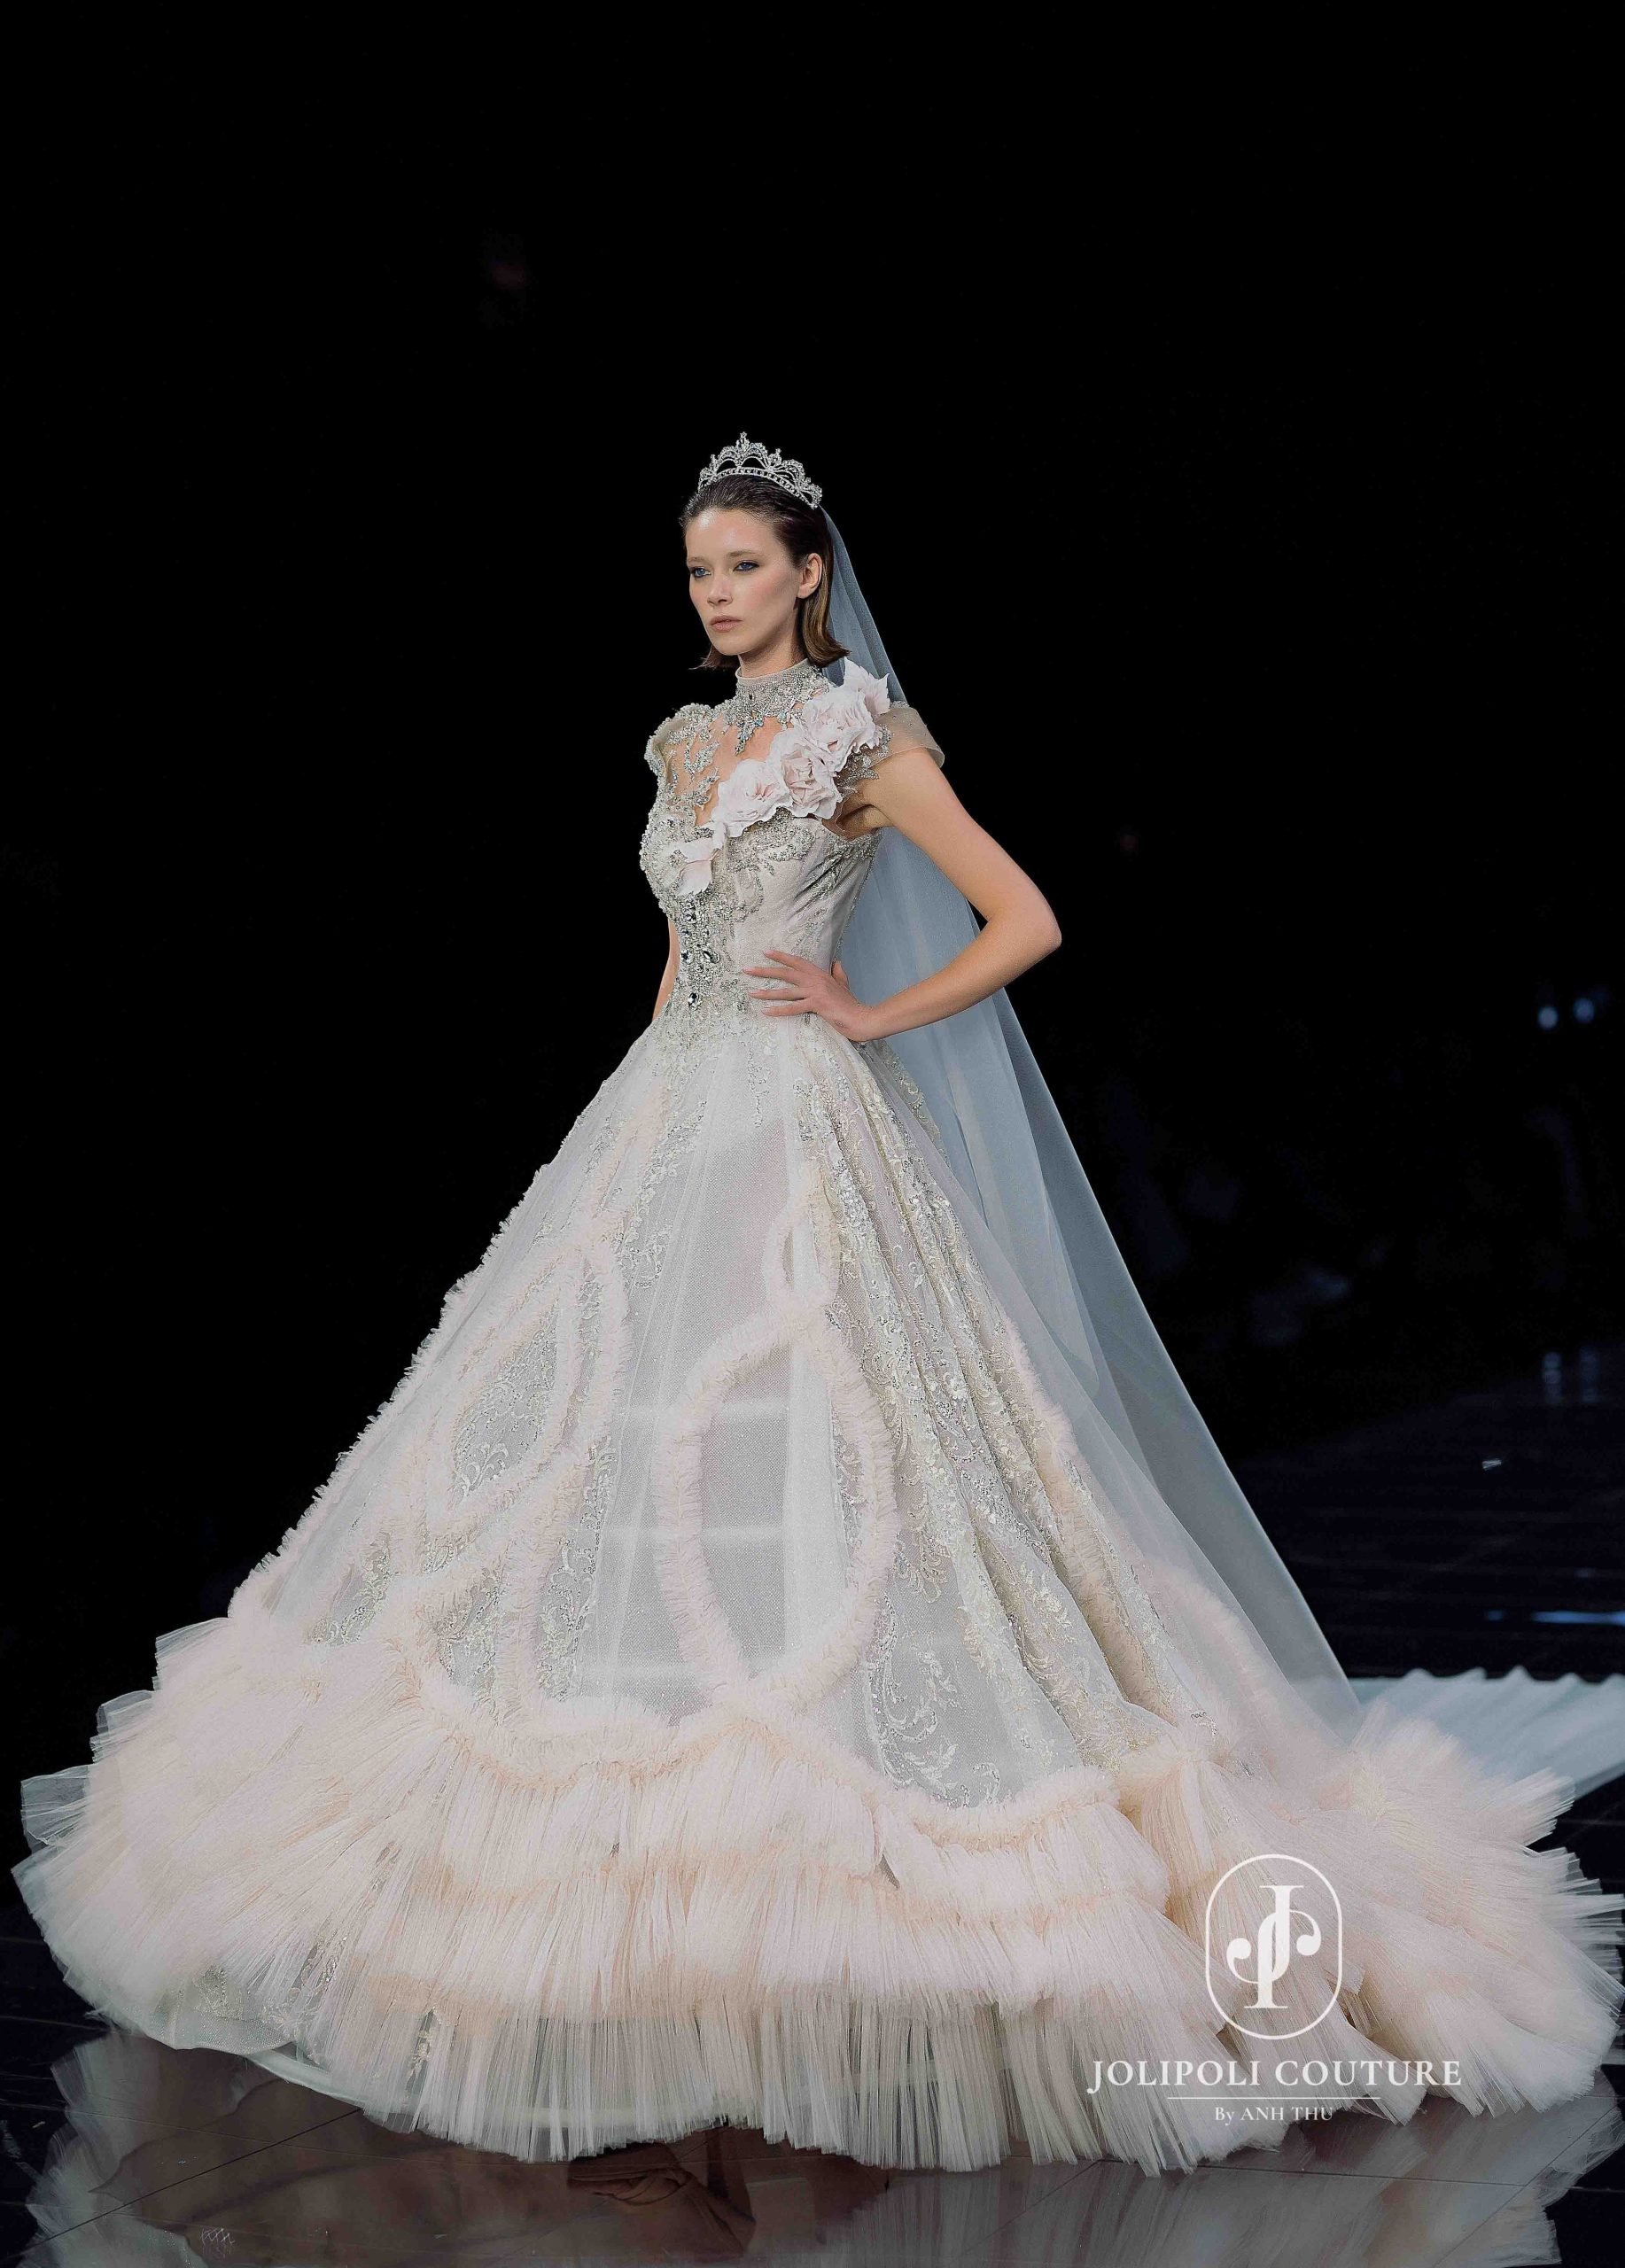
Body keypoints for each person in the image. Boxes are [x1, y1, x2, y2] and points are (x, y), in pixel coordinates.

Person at [16, 435, 1625, 2178]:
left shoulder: (863, 736)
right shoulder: (682, 741)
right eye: (695, 570)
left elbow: (1023, 916)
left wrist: (866, 1015)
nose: (714, 594)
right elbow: (679, 949)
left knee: (854, 1441)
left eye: (740, 566)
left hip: (806, 1118)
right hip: (671, 1114)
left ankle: (855, 1842)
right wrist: (634, 1114)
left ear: (805, 571)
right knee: (612, 1453)